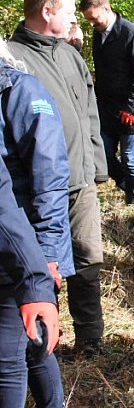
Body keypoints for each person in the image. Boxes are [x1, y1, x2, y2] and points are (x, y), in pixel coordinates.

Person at [9, 0, 108, 356]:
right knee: (38, 265)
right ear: (47, 12)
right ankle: (38, 341)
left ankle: (91, 337)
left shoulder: (70, 54)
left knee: (88, 258)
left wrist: (97, 165)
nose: (73, 20)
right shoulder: (14, 59)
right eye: (68, 12)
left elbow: (88, 111)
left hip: (80, 181)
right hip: (34, 186)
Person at [0, 39, 71, 407]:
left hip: (23, 246)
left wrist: (45, 254)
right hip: (11, 243)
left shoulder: (21, 90)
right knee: (28, 343)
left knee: (11, 353)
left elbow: (50, 178)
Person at [0, 149, 61, 408]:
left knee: (16, 355)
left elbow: (50, 176)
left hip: (17, 251)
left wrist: (43, 261)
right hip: (19, 252)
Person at [79, 0, 134, 205]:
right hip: (107, 109)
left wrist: (130, 108)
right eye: (88, 20)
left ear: (106, 9)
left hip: (132, 108)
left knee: (131, 160)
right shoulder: (98, 34)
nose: (92, 23)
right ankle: (132, 188)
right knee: (103, 156)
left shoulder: (131, 33)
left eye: (94, 18)